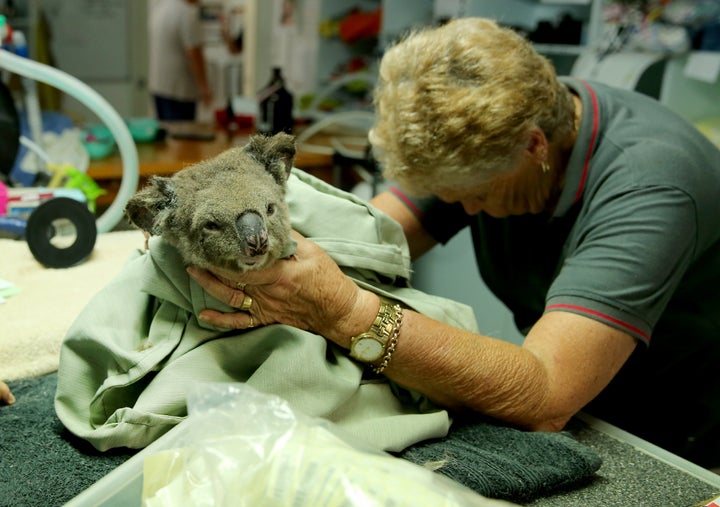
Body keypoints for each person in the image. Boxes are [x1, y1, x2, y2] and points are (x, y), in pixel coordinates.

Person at [187, 18, 720, 470]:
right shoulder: (494, 125)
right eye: (447, 197)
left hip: (678, 428)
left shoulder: (651, 187)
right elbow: (365, 240)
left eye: (474, 197)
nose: (461, 211)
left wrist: (347, 312)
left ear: (534, 146)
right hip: (584, 405)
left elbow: (547, 392)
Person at [148, 0, 212, 121]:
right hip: (180, 91)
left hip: (159, 87)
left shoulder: (160, 9)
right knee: (181, 136)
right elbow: (194, 53)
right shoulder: (187, 13)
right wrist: (204, 87)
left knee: (167, 134)